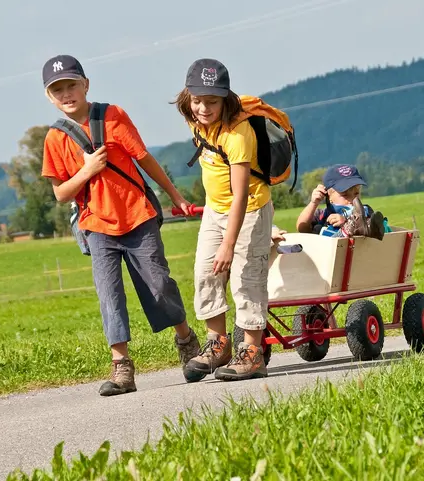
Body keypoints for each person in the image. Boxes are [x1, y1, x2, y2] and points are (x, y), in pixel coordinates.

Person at [40, 54, 202, 396]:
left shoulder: (113, 116)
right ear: (49, 97)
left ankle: (186, 340)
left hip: (137, 216)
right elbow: (59, 193)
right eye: (58, 89)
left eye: (72, 84)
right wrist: (86, 171)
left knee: (159, 284)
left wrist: (173, 195)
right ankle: (122, 367)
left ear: (86, 85)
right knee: (109, 295)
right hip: (95, 225)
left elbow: (144, 159)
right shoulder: (55, 138)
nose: (66, 93)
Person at [171, 58, 274, 382]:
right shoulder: (195, 119)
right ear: (188, 96)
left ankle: (252, 352)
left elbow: (241, 196)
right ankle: (219, 344)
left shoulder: (238, 133)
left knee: (246, 278)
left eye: (212, 102)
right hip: (215, 211)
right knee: (205, 273)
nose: (203, 108)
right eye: (198, 100)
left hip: (250, 211)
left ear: (225, 99)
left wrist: (229, 244)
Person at [296, 164, 389, 239]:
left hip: (355, 255)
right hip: (327, 255)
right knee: (319, 229)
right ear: (329, 196)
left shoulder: (365, 211)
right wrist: (313, 203)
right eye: (345, 195)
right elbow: (302, 228)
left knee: (365, 225)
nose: (352, 200)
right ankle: (345, 231)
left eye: (356, 193)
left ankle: (350, 227)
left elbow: (370, 235)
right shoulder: (321, 214)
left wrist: (346, 222)